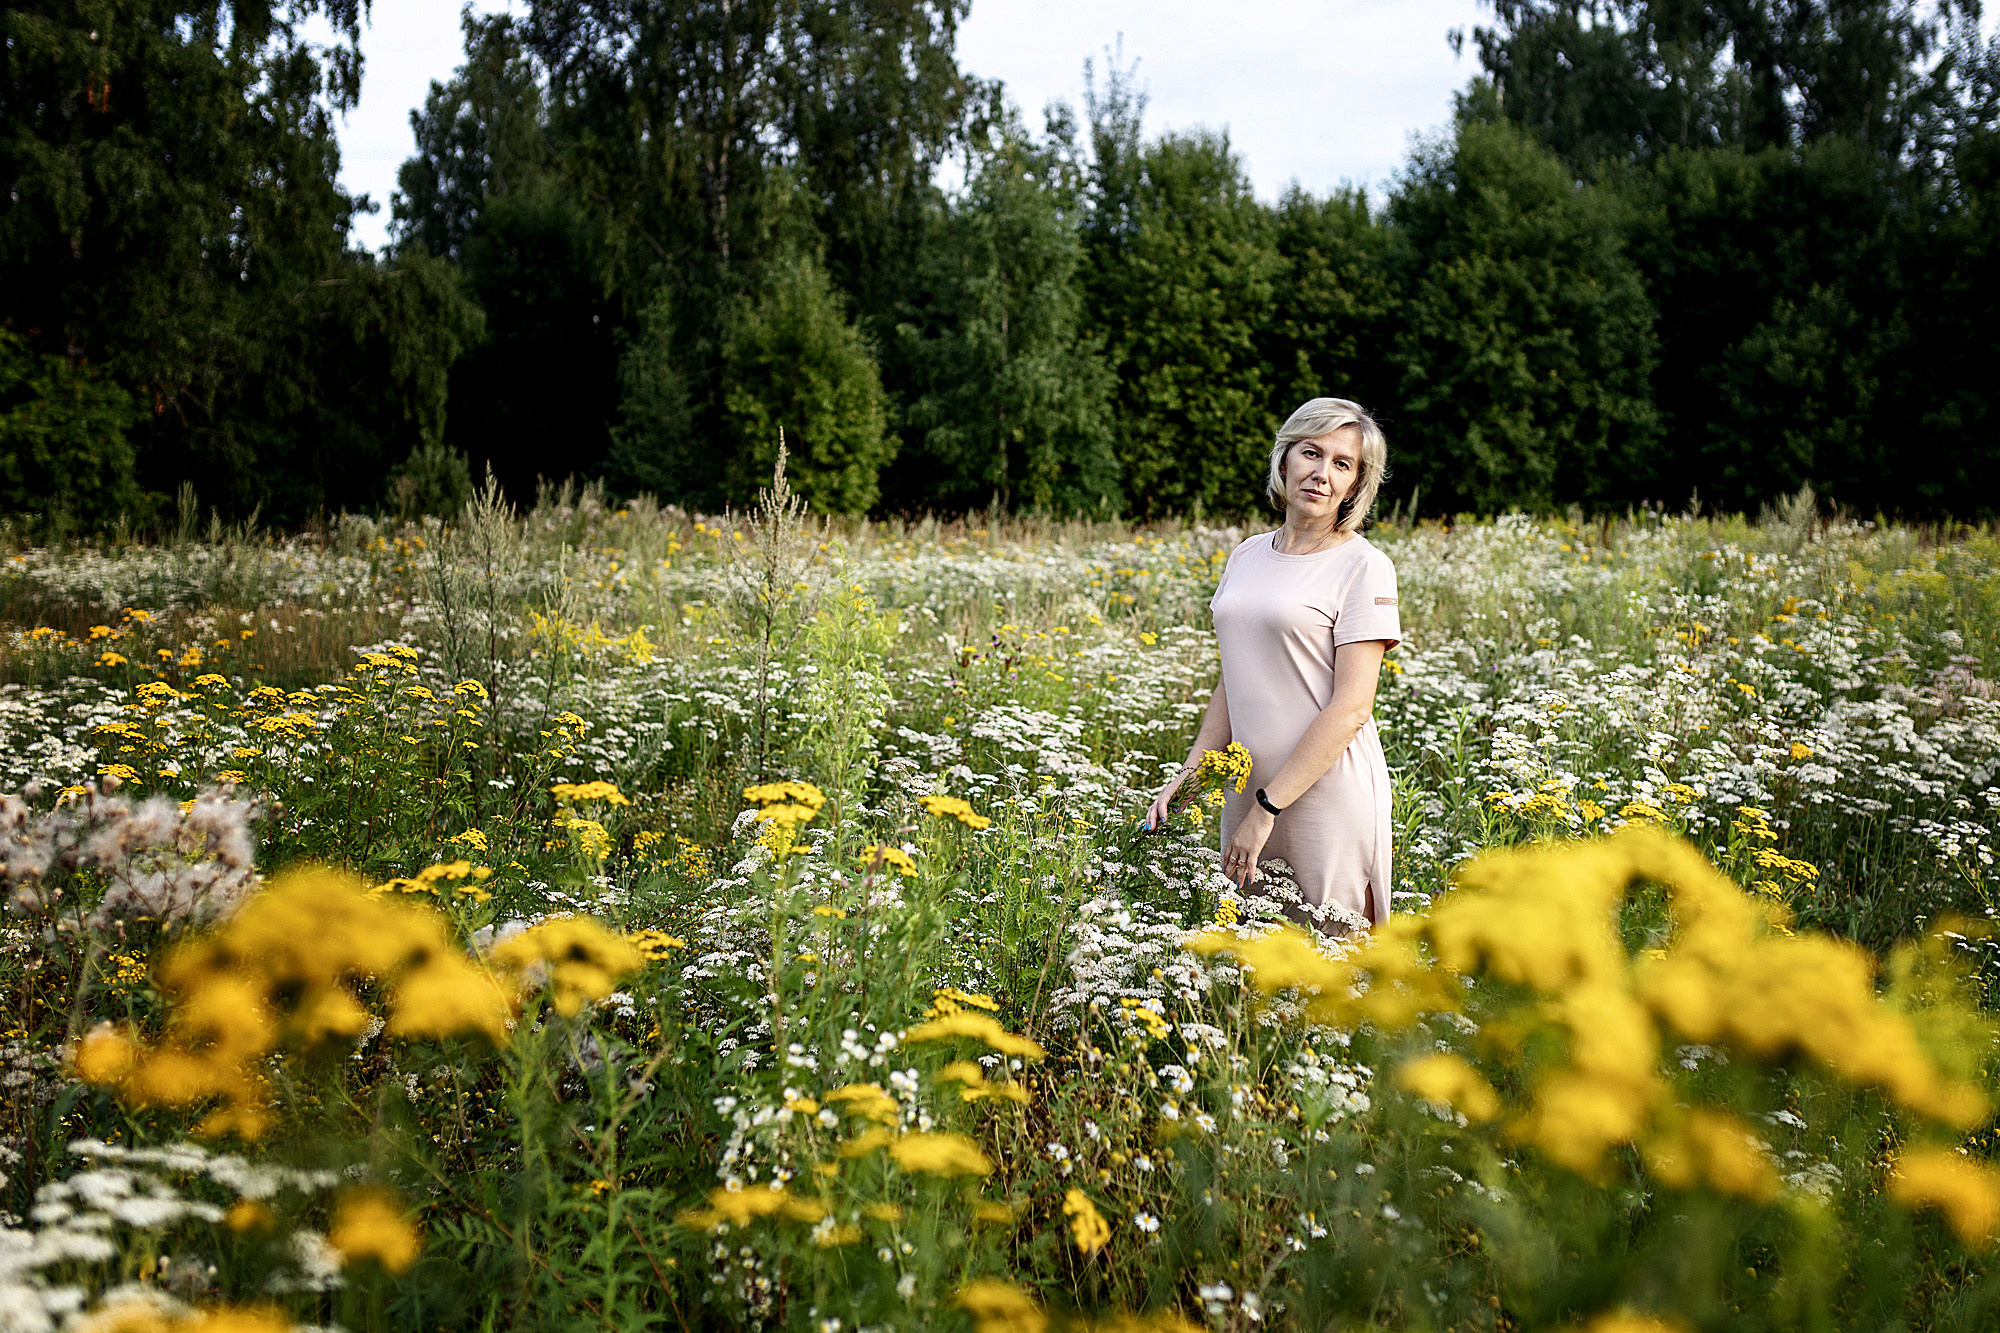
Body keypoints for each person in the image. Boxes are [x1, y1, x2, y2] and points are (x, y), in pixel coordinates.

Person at [1146, 397, 1401, 932]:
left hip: (1323, 795)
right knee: (1248, 955)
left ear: (1356, 484)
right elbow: (1235, 680)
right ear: (1284, 458)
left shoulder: (1364, 566)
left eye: (1342, 463)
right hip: (1246, 791)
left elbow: (1353, 708)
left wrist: (1268, 809)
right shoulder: (1246, 554)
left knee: (1329, 956)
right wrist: (1189, 777)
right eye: (1311, 452)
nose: (1321, 473)